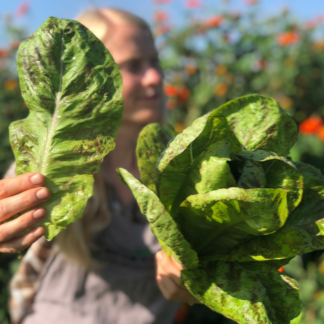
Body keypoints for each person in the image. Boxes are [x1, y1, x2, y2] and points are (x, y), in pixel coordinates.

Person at [3, 8, 199, 324]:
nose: (155, 77)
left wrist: (200, 284)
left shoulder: (185, 168)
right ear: (90, 77)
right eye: (134, 66)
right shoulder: (53, 161)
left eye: (155, 62)